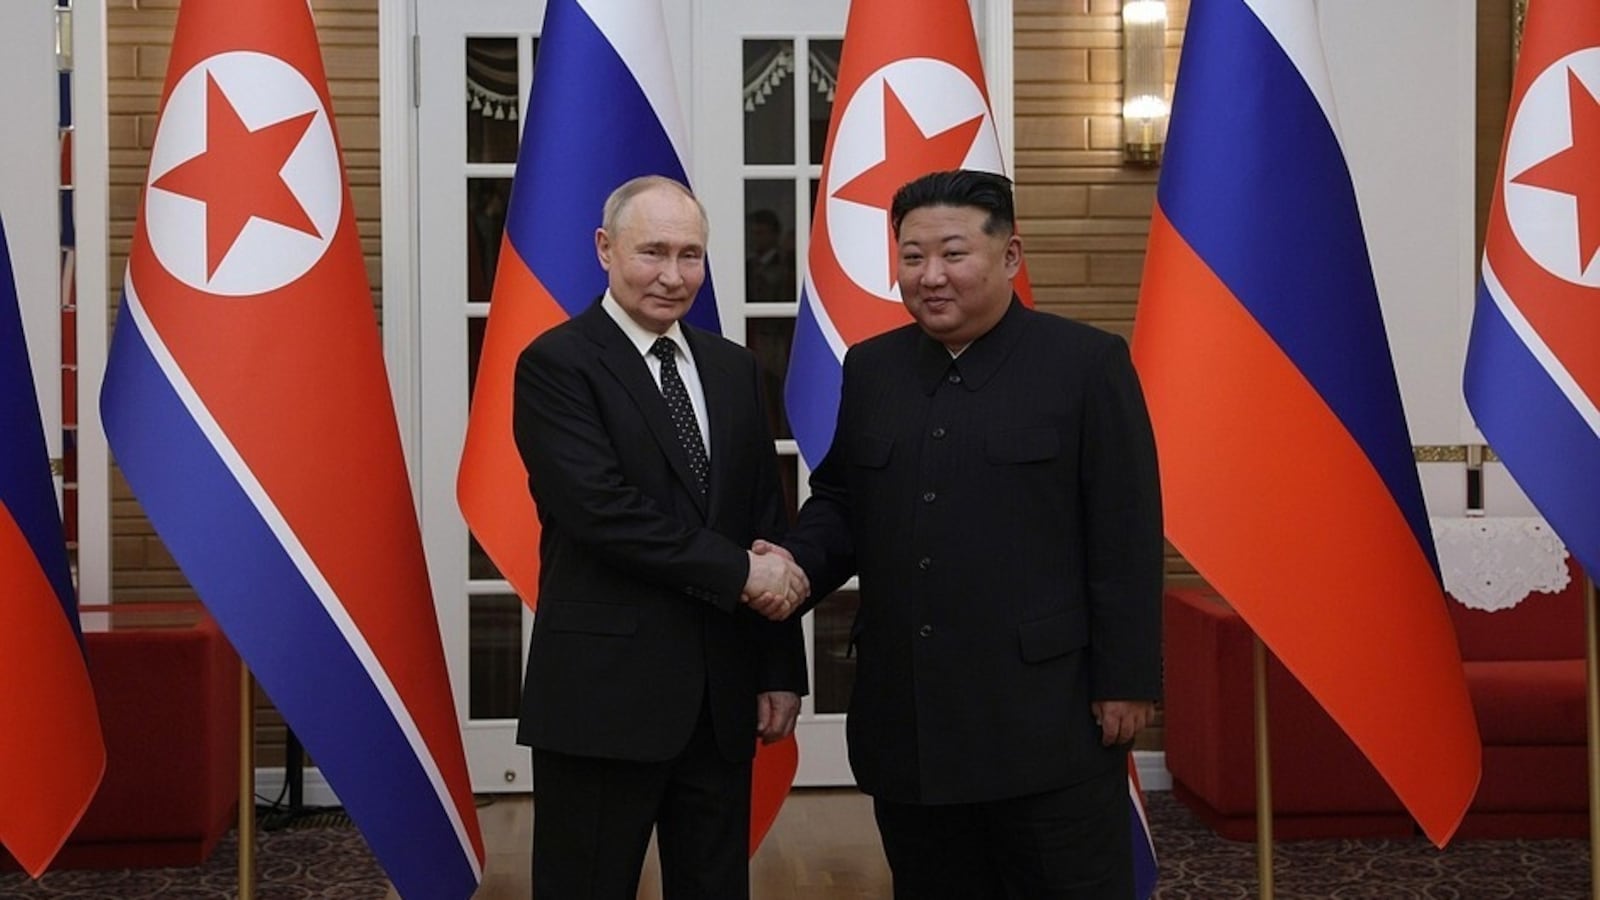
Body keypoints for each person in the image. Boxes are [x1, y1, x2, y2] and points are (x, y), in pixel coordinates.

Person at [754, 169, 1163, 898]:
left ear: (1010, 256)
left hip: (1046, 720)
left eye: (953, 253)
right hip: (910, 723)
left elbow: (1125, 534)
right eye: (912, 257)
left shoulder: (1085, 364)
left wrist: (1126, 680)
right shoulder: (873, 367)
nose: (930, 276)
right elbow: (844, 501)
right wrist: (792, 566)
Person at [511, 175, 810, 899]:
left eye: (690, 255)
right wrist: (740, 572)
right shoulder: (557, 364)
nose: (673, 276)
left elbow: (763, 521)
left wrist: (778, 666)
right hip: (603, 698)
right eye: (652, 252)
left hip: (720, 698)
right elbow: (602, 512)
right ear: (605, 249)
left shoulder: (733, 368)